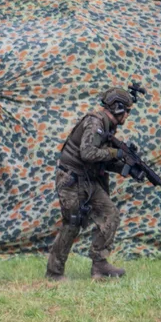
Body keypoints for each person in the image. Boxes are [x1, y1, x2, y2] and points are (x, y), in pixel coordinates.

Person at [46, 87, 136, 281]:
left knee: (109, 214)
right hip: (71, 180)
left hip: (88, 180)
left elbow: (100, 160)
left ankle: (100, 266)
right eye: (127, 110)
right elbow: (87, 153)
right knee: (72, 224)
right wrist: (116, 153)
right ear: (118, 108)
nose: (128, 115)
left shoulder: (107, 126)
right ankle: (54, 273)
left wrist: (125, 167)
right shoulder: (95, 122)